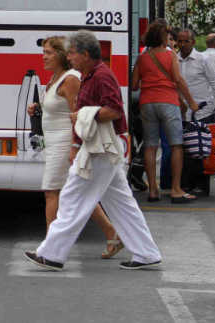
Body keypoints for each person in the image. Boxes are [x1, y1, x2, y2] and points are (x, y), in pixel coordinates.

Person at [24, 31, 162, 272]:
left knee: (72, 197)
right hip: (101, 146)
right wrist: (78, 137)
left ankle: (51, 254)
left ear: (86, 54)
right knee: (121, 203)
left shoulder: (101, 76)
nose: (69, 57)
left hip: (100, 148)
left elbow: (115, 111)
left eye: (72, 53)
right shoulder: (91, 75)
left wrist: (85, 115)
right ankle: (146, 252)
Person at [27, 37, 123, 259]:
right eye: (43, 52)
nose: (44, 57)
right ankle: (111, 233)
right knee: (78, 193)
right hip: (54, 142)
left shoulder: (70, 79)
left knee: (52, 191)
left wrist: (74, 146)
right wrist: (38, 108)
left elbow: (78, 114)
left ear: (60, 55)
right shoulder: (55, 78)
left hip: (63, 142)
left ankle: (50, 249)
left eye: (49, 52)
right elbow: (57, 108)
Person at [131, 21, 199, 203]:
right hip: (168, 101)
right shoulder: (170, 56)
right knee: (176, 145)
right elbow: (178, 79)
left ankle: (153, 190)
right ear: (163, 36)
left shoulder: (142, 58)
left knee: (150, 146)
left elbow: (134, 85)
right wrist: (191, 102)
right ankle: (176, 189)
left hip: (147, 103)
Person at [176, 29, 215, 197]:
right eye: (180, 41)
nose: (182, 44)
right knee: (185, 148)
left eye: (186, 41)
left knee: (203, 147)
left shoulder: (203, 59)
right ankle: (186, 184)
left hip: (204, 111)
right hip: (182, 112)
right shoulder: (174, 59)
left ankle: (202, 185)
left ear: (193, 42)